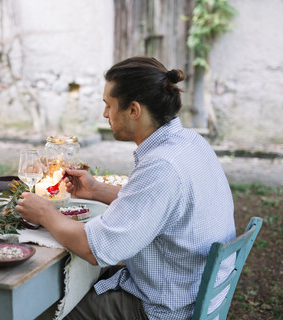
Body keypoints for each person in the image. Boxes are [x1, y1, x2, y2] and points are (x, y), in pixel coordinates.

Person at [16, 57, 236, 319]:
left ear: (134, 110)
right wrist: (97, 190)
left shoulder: (162, 165)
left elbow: (93, 248)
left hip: (166, 309)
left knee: (37, 311)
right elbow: (161, 207)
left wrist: (45, 214)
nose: (105, 115)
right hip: (192, 290)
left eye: (108, 105)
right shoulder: (189, 142)